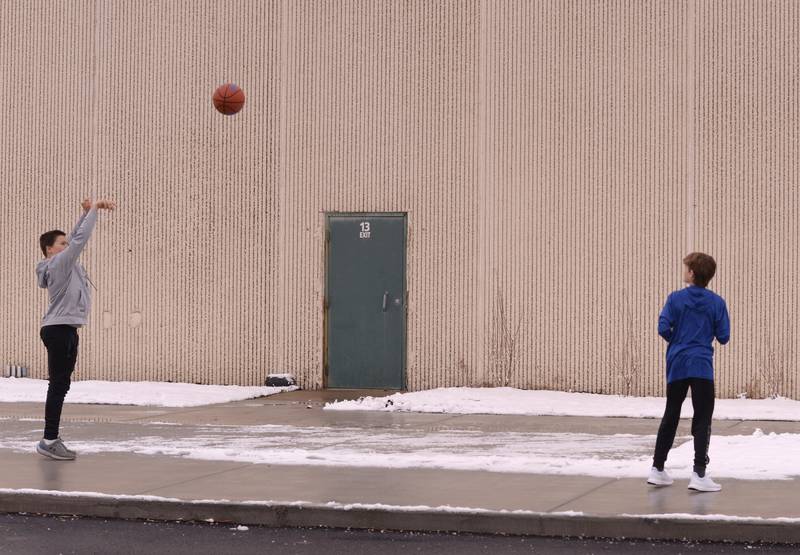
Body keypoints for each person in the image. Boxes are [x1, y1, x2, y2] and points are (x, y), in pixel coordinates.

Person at [35, 198, 116, 460]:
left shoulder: (60, 262)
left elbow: (73, 237)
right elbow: (79, 239)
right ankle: (48, 440)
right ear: (49, 250)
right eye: (62, 244)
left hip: (66, 329)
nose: (67, 246)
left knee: (61, 385)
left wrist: (84, 213)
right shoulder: (59, 264)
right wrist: (94, 211)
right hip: (58, 330)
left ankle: (52, 438)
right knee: (58, 385)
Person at [648, 252, 730, 492]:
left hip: (678, 363)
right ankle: (699, 473)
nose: (684, 272)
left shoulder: (675, 299)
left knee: (671, 413)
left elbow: (663, 327)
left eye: (686, 268)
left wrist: (678, 341)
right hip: (702, 365)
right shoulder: (717, 303)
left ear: (692, 273)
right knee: (702, 417)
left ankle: (657, 468)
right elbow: (724, 336)